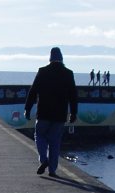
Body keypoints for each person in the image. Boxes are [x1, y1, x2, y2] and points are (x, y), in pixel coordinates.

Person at [24, 47, 78, 178]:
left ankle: (44, 159)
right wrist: (73, 113)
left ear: (50, 58)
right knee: (55, 141)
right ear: (61, 58)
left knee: (40, 136)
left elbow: (33, 91)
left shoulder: (42, 71)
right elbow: (73, 96)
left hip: (43, 113)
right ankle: (52, 170)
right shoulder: (68, 73)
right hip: (60, 115)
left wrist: (27, 108)